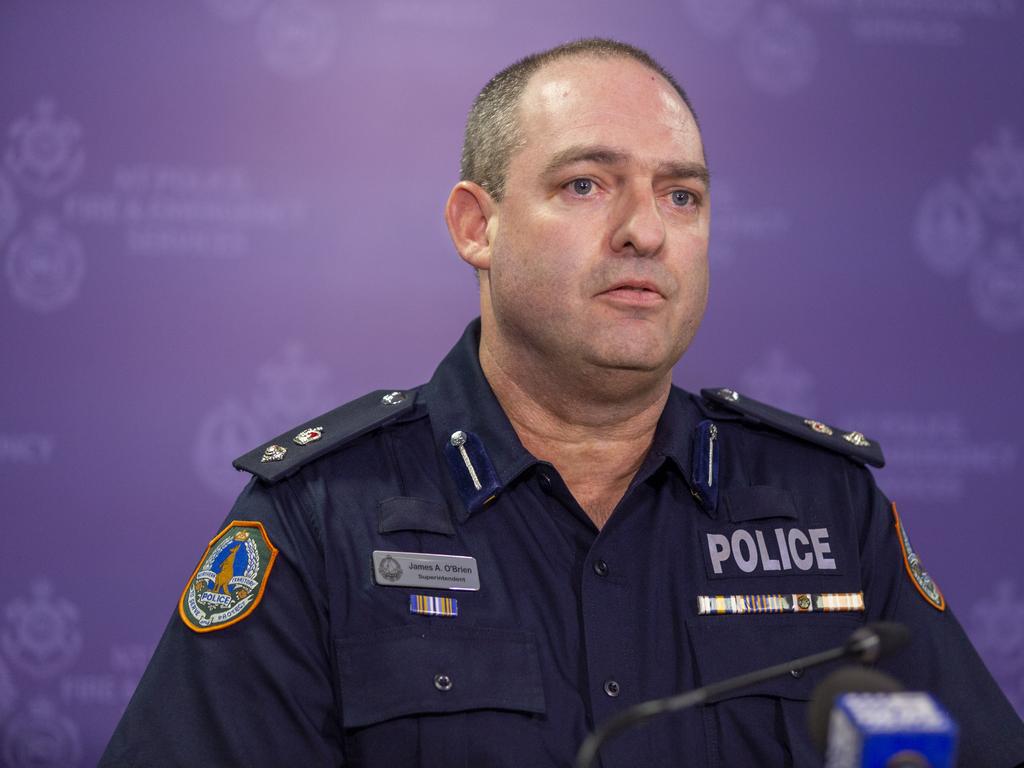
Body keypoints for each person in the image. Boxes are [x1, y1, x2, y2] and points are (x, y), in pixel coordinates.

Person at [101, 39, 1024, 767]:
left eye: (682, 195)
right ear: (478, 226)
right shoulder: (320, 516)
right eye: (586, 185)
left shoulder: (826, 507)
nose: (645, 230)